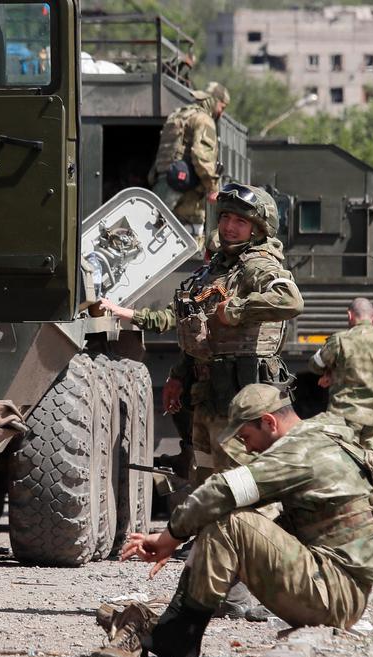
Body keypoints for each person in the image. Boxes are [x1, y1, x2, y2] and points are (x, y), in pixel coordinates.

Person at [91, 384, 373, 657]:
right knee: (226, 522)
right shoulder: (322, 436)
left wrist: (169, 537)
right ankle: (171, 628)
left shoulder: (294, 453)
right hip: (343, 589)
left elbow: (221, 490)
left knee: (229, 523)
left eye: (247, 437)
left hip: (333, 595)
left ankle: (175, 636)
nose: (248, 449)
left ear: (269, 422)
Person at [98, 183, 301, 620]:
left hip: (242, 402)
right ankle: (216, 590)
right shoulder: (214, 270)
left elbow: (289, 299)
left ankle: (248, 593)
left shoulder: (258, 265)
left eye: (240, 221)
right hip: (207, 398)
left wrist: (237, 311)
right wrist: (174, 372)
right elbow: (188, 324)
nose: (229, 226)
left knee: (245, 495)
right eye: (226, 218)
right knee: (209, 491)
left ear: (257, 228)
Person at [308, 296, 373, 452]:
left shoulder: (340, 340)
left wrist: (329, 372)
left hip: (345, 418)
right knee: (372, 464)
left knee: (345, 463)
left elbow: (315, 364)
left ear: (349, 315)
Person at [149, 81, 230, 238]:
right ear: (214, 101)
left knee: (155, 234)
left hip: (164, 186)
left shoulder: (179, 115)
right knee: (188, 240)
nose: (221, 112)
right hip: (186, 194)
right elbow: (202, 156)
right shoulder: (204, 119)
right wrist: (212, 187)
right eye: (222, 107)